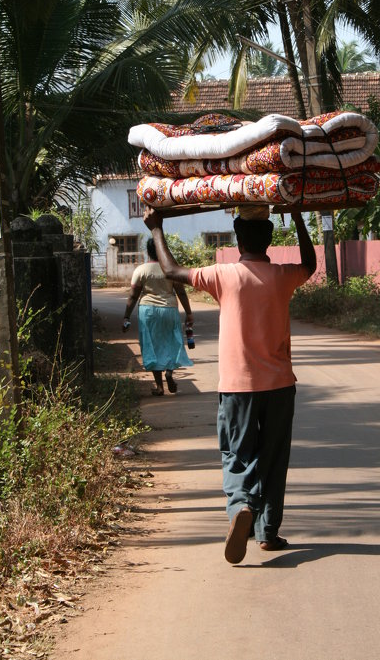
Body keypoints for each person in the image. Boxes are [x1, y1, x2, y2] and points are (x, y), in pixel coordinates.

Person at [143, 204, 316, 564]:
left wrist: (156, 227)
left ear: (238, 239)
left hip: (238, 388)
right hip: (280, 385)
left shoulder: (223, 276)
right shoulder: (283, 276)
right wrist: (299, 217)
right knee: (273, 457)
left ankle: (241, 506)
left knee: (238, 453)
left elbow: (172, 270)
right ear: (270, 240)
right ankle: (267, 533)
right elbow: (311, 265)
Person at [122, 237, 194, 395]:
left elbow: (133, 296)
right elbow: (181, 292)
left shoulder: (141, 270)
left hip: (148, 311)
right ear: (164, 250)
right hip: (169, 309)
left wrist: (126, 317)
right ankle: (169, 372)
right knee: (171, 342)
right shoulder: (171, 270)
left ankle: (159, 387)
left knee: (151, 345)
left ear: (148, 252)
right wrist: (188, 313)